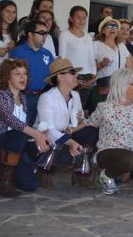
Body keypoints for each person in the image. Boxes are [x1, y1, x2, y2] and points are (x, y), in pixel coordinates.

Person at [0, 59, 51, 197]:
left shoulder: (23, 98)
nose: (22, 77)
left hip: (9, 148)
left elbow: (22, 126)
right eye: (17, 73)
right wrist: (36, 134)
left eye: (24, 73)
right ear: (7, 76)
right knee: (17, 135)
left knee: (31, 185)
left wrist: (38, 135)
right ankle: (3, 184)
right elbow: (11, 121)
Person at [36, 58, 95, 188]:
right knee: (54, 139)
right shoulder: (47, 97)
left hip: (66, 135)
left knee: (90, 131)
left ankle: (81, 170)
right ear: (60, 77)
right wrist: (71, 142)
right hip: (49, 140)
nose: (77, 75)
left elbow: (78, 122)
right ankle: (45, 170)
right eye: (72, 72)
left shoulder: (75, 95)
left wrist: (80, 121)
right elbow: (49, 130)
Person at [9, 21, 54, 125]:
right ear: (30, 34)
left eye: (46, 33)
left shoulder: (47, 54)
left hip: (42, 96)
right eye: (41, 33)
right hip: (23, 96)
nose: (44, 36)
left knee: (35, 130)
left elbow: (52, 76)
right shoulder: (18, 52)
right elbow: (10, 77)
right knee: (20, 129)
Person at [58, 6, 97, 106]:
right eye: (78, 17)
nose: (81, 20)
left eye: (84, 18)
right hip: (71, 76)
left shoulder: (88, 36)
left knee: (80, 108)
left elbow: (91, 57)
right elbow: (62, 59)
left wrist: (94, 75)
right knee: (68, 106)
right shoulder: (64, 34)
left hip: (88, 77)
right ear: (71, 18)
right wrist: (73, 78)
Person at [93, 16, 133, 84]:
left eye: (115, 27)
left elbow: (131, 67)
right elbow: (89, 68)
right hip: (103, 86)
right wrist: (101, 64)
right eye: (109, 26)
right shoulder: (95, 45)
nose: (112, 29)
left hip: (119, 85)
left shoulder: (122, 46)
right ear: (103, 30)